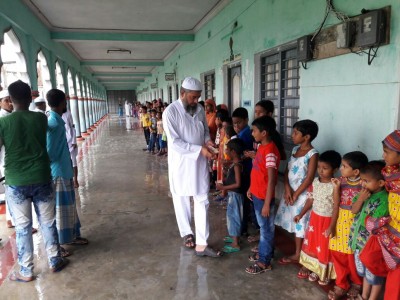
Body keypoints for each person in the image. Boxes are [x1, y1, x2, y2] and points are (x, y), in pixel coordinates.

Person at [0, 80, 68, 282]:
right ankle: (55, 260)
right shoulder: (40, 119)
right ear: (30, 97)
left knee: (23, 227)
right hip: (42, 176)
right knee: (48, 222)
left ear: (10, 100)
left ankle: (27, 270)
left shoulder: (3, 123)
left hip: (16, 180)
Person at [163, 76, 222, 257]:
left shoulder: (200, 109)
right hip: (181, 163)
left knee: (202, 199)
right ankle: (187, 233)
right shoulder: (170, 112)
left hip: (199, 163)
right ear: (182, 93)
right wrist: (200, 150)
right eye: (192, 97)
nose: (196, 101)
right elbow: (175, 142)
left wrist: (209, 143)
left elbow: (204, 131)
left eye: (198, 98)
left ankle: (202, 244)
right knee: (181, 199)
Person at [46, 89, 88, 253]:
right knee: (60, 210)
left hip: (65, 170)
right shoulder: (54, 124)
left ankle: (72, 236)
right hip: (59, 173)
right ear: (62, 102)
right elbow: (51, 152)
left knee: (69, 207)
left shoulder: (58, 121)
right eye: (65, 100)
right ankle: (59, 245)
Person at [360, 131, 400, 300]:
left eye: (387, 151)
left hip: (396, 234)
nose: (383, 155)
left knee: (395, 283)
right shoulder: (391, 174)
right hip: (391, 231)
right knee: (369, 258)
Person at [275, 120, 319, 265]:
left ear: (306, 137)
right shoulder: (294, 150)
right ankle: (298, 250)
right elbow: (287, 170)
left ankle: (298, 253)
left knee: (300, 222)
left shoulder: (313, 154)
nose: (292, 135)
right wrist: (287, 189)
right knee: (292, 220)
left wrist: (295, 194)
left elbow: (309, 177)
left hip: (302, 194)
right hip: (290, 192)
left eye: (296, 133)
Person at [294, 150, 341, 285]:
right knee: (312, 242)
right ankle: (310, 265)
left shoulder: (335, 185)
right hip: (315, 218)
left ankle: (322, 271)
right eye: (319, 167)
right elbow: (310, 200)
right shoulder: (315, 181)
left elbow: (336, 206)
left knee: (324, 245)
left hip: (327, 220)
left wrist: (332, 226)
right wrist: (301, 214)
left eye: (325, 168)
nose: (321, 171)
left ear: (335, 169)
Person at [327, 151, 368, 300]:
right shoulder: (340, 181)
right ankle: (342, 283)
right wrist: (336, 188)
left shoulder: (364, 184)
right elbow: (336, 203)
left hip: (355, 223)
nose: (341, 169)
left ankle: (357, 283)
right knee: (337, 252)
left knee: (352, 255)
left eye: (344, 166)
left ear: (356, 171)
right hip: (340, 219)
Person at [245, 116, 282, 274]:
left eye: (254, 131)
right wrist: (251, 188)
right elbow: (258, 172)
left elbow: (272, 180)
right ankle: (265, 252)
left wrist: (267, 203)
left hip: (263, 198)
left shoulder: (270, 152)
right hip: (257, 194)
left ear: (264, 132)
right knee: (264, 227)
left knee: (266, 229)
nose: (252, 133)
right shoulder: (262, 147)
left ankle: (264, 262)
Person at [348, 161, 388, 300]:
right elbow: (353, 210)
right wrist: (361, 199)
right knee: (365, 272)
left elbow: (375, 225)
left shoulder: (384, 200)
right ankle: (364, 296)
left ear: (381, 183)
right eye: (362, 180)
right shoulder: (363, 193)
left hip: (371, 247)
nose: (362, 184)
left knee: (374, 274)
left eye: (367, 181)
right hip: (359, 243)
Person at [216, 138, 245, 253]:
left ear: (233, 152)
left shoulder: (237, 166)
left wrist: (223, 188)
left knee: (234, 218)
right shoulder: (236, 163)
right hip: (233, 195)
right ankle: (234, 237)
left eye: (227, 149)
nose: (226, 151)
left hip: (235, 196)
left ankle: (235, 244)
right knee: (232, 216)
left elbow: (238, 183)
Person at [232, 107, 254, 236]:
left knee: (245, 200)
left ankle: (244, 227)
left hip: (247, 169)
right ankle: (245, 223)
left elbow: (244, 152)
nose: (236, 126)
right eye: (234, 123)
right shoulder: (241, 133)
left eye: (239, 122)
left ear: (246, 120)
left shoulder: (246, 134)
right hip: (244, 168)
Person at [0, 90, 13, 228]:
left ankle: (12, 218)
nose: (10, 103)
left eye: (10, 100)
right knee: (11, 191)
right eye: (6, 100)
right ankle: (11, 220)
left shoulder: (11, 116)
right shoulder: (2, 119)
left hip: (11, 161)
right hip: (6, 162)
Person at [62, 110, 79, 188]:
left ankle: (75, 180)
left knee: (73, 162)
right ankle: (68, 180)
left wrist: (74, 141)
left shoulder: (68, 113)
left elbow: (72, 127)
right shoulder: (52, 114)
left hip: (70, 141)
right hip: (62, 142)